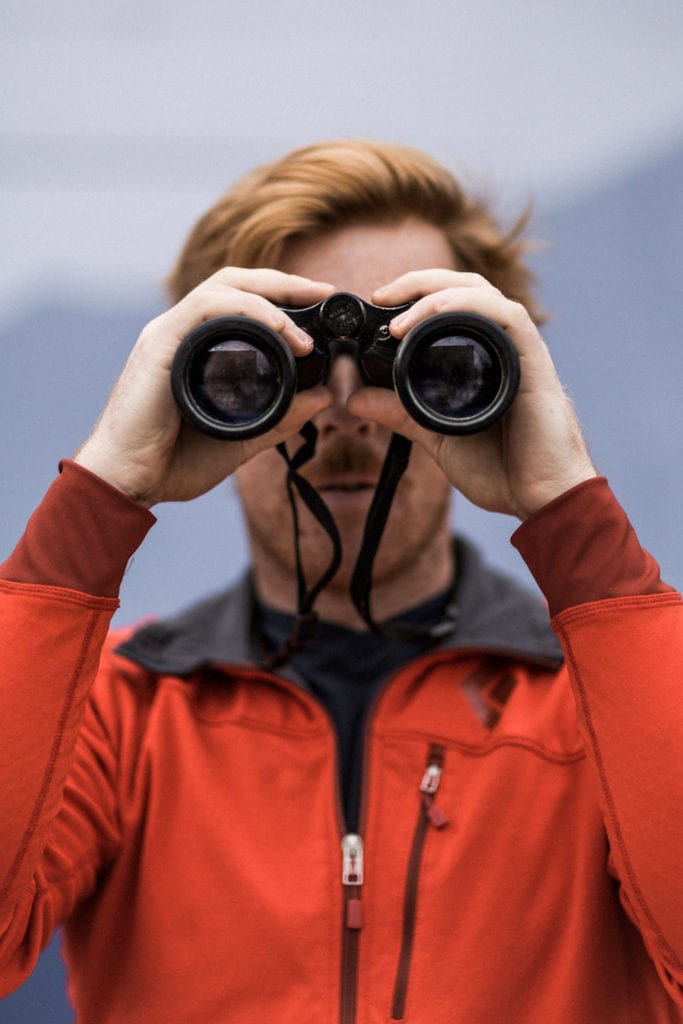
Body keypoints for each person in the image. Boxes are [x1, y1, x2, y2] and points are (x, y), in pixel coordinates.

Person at [1, 139, 682, 1024]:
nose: (348, 412)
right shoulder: (116, 711)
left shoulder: (608, 708)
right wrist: (102, 491)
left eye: (422, 359)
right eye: (272, 362)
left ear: (501, 380)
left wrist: (570, 514)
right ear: (187, 383)